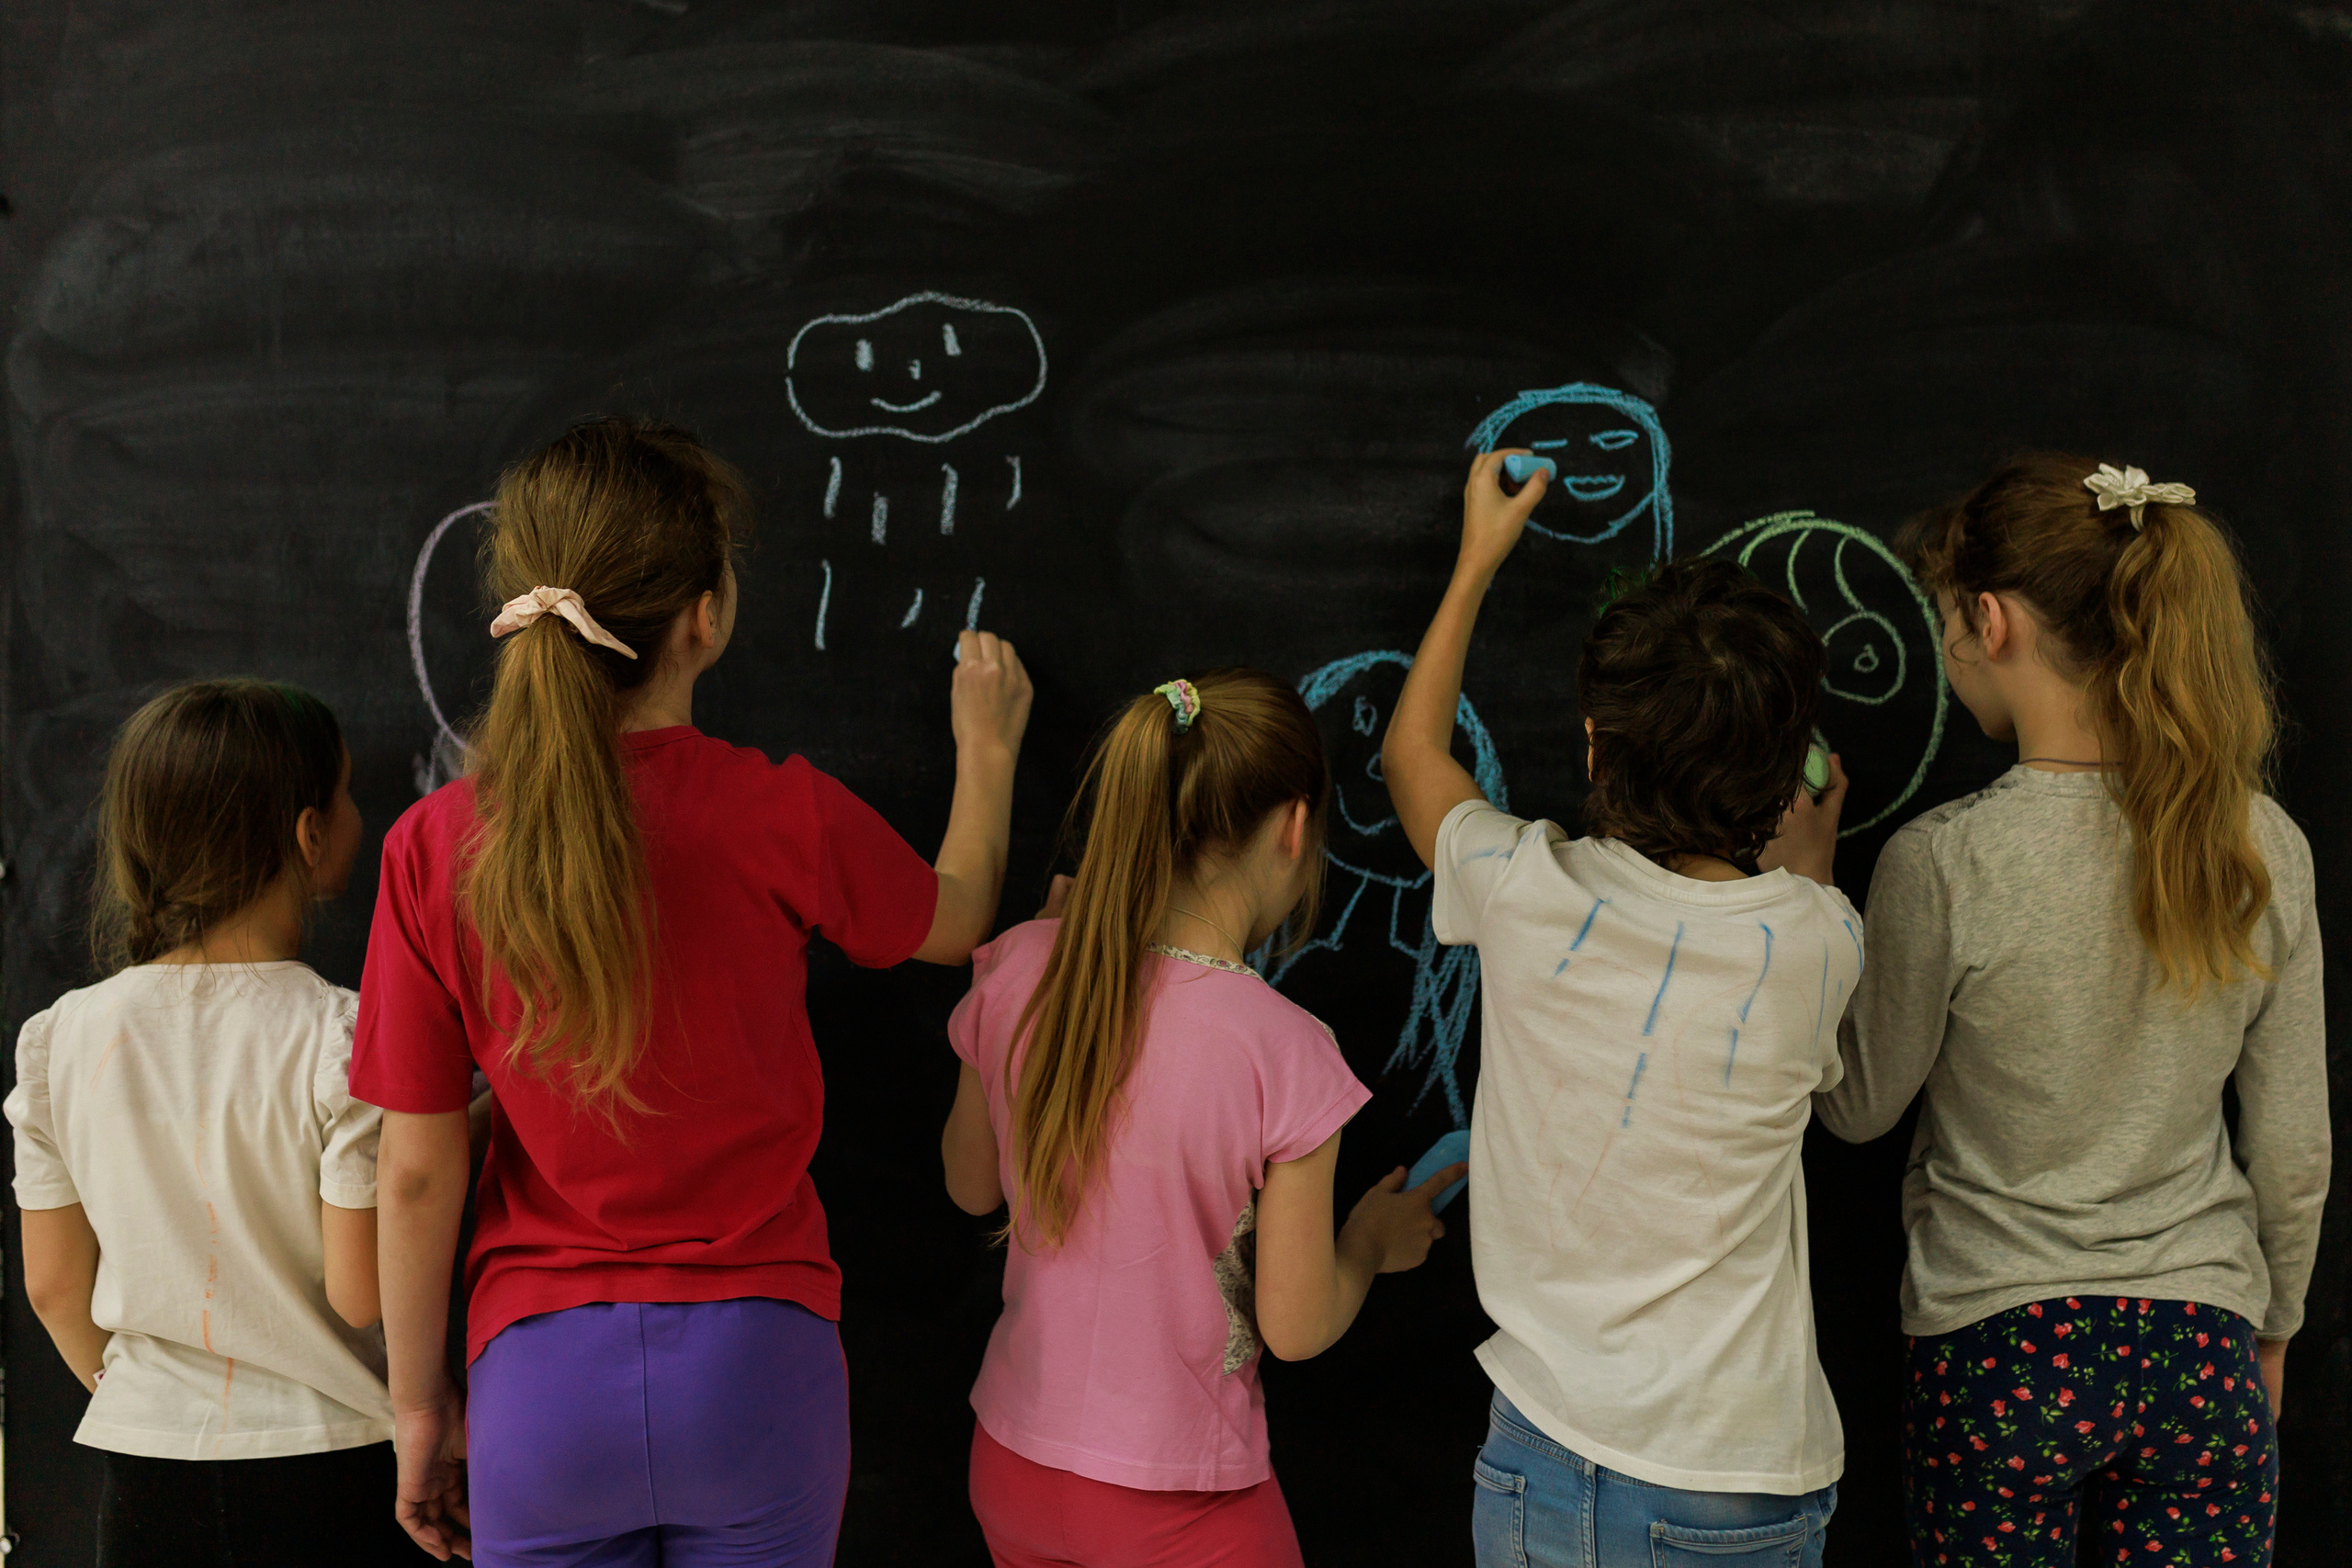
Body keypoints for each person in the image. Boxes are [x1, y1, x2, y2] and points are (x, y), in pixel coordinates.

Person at [352, 418, 1032, 1566]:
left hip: (537, 1380)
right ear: (704, 617)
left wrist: (420, 1413)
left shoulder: (436, 846)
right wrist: (990, 751)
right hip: (757, 1368)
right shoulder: (780, 813)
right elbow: (955, 915)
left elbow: (417, 1172)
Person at [1811, 455, 2328, 1568]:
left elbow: (1855, 1111)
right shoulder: (2260, 845)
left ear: (1989, 621)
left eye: (1946, 621)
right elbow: (2290, 1146)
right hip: (2202, 1342)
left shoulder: (1944, 861)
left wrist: (1807, 894)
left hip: (2000, 1348)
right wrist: (2273, 1330)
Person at [1383, 453, 1856, 1567]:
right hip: (1726, 1485)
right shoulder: (1819, 941)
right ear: (1792, 774)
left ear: (1593, 748)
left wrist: (1474, 564)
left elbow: (1413, 756)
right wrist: (1819, 852)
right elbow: (1794, 899)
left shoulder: (1520, 889)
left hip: (1534, 1459)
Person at [941, 669, 1462, 1568]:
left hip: (1011, 1468)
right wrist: (1371, 1243)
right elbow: (1295, 1329)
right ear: (1295, 827)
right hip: (1173, 1509)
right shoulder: (1285, 1048)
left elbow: (968, 1183)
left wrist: (1025, 958)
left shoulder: (1021, 967)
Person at [6, 680, 412, 1567]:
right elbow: (358, 1292)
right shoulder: (341, 1035)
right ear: (309, 835)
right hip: (329, 1470)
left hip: (149, 1473)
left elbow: (53, 1291)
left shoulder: (59, 1040)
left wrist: (153, 1398)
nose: (357, 813)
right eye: (345, 794)